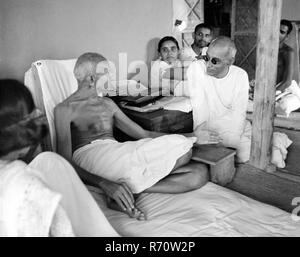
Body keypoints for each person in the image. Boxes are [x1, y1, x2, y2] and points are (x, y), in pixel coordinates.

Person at [54, 52, 210, 220]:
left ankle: (128, 188)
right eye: (106, 73)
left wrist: (192, 135)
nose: (111, 77)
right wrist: (103, 183)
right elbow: (65, 162)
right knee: (184, 152)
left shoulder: (107, 104)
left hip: (117, 151)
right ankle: (123, 188)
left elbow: (143, 134)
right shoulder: (64, 109)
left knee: (199, 174)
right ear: (92, 79)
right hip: (90, 156)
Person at [0, 79, 119, 237]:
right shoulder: (23, 184)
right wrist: (102, 182)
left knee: (49, 159)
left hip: (111, 151)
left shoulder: (108, 103)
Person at [187, 37, 252, 163]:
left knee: (242, 156)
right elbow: (199, 108)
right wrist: (202, 137)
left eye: (215, 61)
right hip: (207, 127)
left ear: (230, 61)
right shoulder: (197, 69)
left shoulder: (240, 76)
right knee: (205, 155)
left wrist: (230, 145)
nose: (208, 64)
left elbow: (238, 113)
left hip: (231, 127)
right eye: (206, 58)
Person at [277, 19, 295, 92]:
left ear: (286, 36)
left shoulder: (288, 52)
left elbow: (287, 82)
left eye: (282, 32)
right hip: (264, 89)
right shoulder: (264, 49)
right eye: (277, 30)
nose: (277, 33)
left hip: (281, 90)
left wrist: (270, 95)